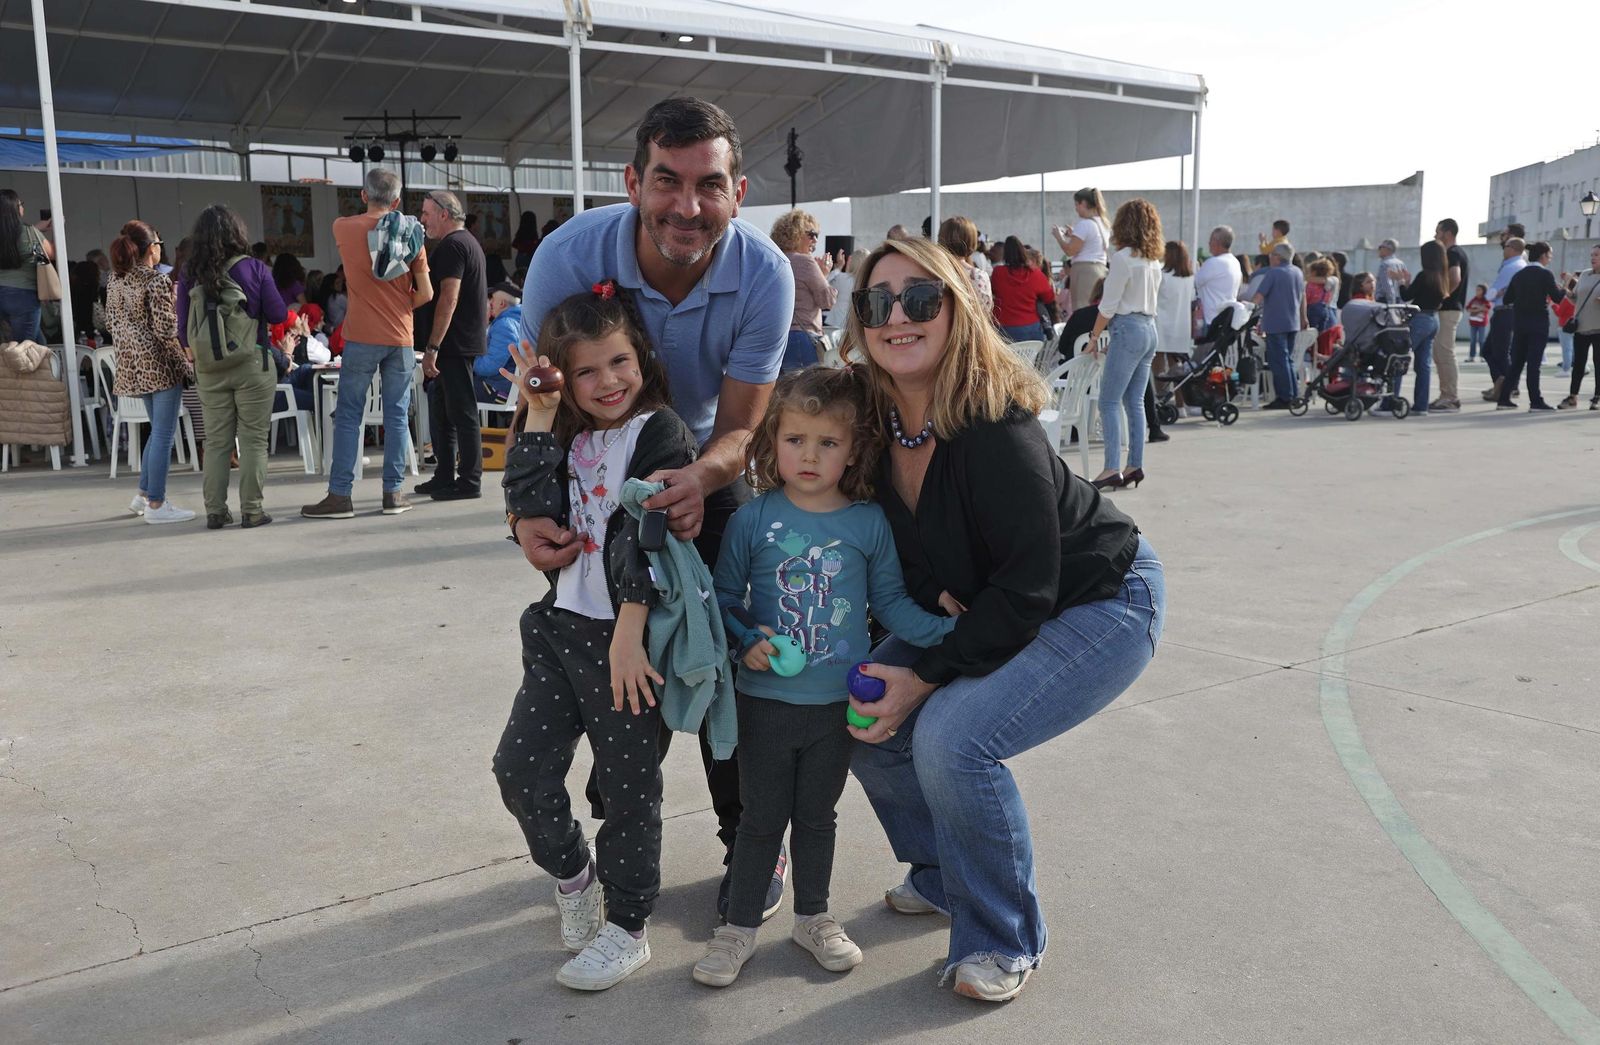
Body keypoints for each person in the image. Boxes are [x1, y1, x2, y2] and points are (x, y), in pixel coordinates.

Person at [841, 234, 1164, 1003]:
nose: (897, 317)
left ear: (956, 309)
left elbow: (1027, 587)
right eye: (878, 302)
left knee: (952, 739)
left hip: (1102, 597)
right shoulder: (872, 421)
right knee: (858, 708)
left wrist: (927, 671)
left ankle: (1002, 934)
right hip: (994, 595)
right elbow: (892, 548)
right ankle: (943, 873)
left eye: (920, 298)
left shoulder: (993, 423)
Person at [516, 96, 793, 920]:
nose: (687, 206)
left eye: (710, 186)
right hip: (597, 466)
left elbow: (742, 426)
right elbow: (543, 404)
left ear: (739, 192)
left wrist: (699, 480)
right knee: (602, 646)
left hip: (704, 459)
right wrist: (523, 516)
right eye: (667, 181)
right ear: (633, 182)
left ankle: (753, 838)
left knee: (728, 655)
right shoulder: (567, 257)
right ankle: (618, 812)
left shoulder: (766, 274)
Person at [694, 366, 958, 988]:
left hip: (836, 706)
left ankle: (813, 916)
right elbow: (722, 598)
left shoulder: (868, 524)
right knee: (760, 820)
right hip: (764, 703)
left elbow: (889, 605)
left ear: (854, 450)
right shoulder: (752, 519)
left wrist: (951, 632)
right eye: (795, 439)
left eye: (828, 442)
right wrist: (748, 640)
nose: (809, 456)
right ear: (772, 442)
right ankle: (737, 928)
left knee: (818, 817)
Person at [494, 281, 698, 992]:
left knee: (627, 788)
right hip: (559, 632)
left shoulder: (660, 431)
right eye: (586, 370)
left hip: (626, 640)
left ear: (641, 356)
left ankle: (629, 926)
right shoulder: (567, 435)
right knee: (519, 770)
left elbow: (648, 532)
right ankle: (577, 878)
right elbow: (528, 500)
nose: (608, 380)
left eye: (619, 361)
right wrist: (541, 412)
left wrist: (631, 632)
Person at [303, 167, 433, 519]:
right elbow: (426, 293)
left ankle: (340, 496)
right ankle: (393, 493)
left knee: (349, 414)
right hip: (401, 337)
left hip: (360, 335)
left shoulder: (343, 228)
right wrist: (400, 306)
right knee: (396, 415)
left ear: (363, 195)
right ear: (397, 201)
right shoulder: (412, 235)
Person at [177, 205, 288, 529]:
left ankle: (215, 511)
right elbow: (278, 314)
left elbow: (183, 328)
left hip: (209, 368)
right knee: (253, 440)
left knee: (216, 441)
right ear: (237, 234)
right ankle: (252, 511)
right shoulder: (254, 268)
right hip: (252, 363)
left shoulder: (189, 273)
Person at [105, 220, 194, 525]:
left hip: (134, 366)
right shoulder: (155, 281)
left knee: (157, 432)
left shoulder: (115, 279)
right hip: (160, 366)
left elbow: (110, 323)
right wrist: (186, 362)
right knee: (163, 435)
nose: (160, 249)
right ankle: (157, 502)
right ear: (150, 248)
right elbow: (167, 330)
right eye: (158, 243)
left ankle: (143, 494)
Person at [416, 189, 488, 502]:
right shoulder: (466, 242)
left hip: (454, 343)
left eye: (426, 213)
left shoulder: (453, 245)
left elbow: (449, 297)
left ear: (444, 214)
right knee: (443, 412)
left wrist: (433, 346)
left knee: (461, 411)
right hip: (457, 341)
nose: (423, 220)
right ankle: (444, 474)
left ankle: (469, 481)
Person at [1085, 199, 1163, 487]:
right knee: (1135, 402)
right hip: (1149, 329)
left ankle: (1111, 468)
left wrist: (1094, 337)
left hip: (1128, 329)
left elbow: (1108, 306)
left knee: (1108, 401)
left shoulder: (1122, 258)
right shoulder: (1153, 261)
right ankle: (1134, 466)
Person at [1497, 241, 1565, 412]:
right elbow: (1557, 298)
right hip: (1538, 323)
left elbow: (1507, 299)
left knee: (1517, 363)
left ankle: (1504, 399)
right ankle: (1535, 401)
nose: (1550, 258)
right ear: (1543, 256)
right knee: (1534, 364)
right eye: (1549, 255)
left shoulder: (1519, 275)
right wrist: (1564, 289)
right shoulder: (1546, 274)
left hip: (1520, 323)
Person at [1388, 240, 1448, 416]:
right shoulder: (1441, 277)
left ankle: (1391, 403)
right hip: (1433, 319)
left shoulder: (1424, 275)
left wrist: (1401, 282)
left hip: (1419, 319)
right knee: (1423, 365)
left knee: (1399, 358)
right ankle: (1421, 405)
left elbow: (1407, 295)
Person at [770, 209, 834, 370]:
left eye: (816, 235)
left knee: (786, 386)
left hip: (777, 338)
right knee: (808, 385)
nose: (815, 240)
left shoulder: (773, 260)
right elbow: (827, 301)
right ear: (795, 234)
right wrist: (824, 274)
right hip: (803, 337)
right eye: (811, 234)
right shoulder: (806, 262)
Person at [1250, 242, 1307, 409]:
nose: (1270, 257)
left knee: (1278, 362)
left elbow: (1259, 296)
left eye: (1272, 254)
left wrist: (1247, 310)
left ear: (1278, 257)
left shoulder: (1273, 273)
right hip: (1292, 322)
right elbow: (1303, 297)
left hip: (1275, 323)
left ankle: (1285, 397)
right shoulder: (1297, 272)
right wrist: (1303, 317)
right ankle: (1293, 395)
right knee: (1287, 360)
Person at [0, 188, 53, 343]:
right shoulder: (29, 233)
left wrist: (37, 229)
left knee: (39, 344)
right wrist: (57, 228)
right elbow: (50, 254)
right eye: (20, 204)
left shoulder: (30, 232)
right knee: (25, 348)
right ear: (14, 208)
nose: (23, 207)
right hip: (24, 295)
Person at [1481, 233, 1527, 401]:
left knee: (1498, 353)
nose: (1503, 249)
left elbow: (1491, 294)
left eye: (1506, 246)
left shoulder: (1511, 267)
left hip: (1505, 312)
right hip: (1509, 312)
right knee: (1492, 351)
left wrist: (1491, 294)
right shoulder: (1519, 265)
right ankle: (1502, 384)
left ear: (1513, 249)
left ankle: (1509, 387)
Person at [1428, 218, 1468, 412]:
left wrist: (1442, 296)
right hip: (1450, 310)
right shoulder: (1455, 252)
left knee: (1445, 354)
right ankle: (1446, 395)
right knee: (1440, 353)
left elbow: (1455, 278)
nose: (1435, 235)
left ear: (1448, 233)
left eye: (1438, 231)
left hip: (1449, 309)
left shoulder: (1452, 253)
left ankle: (1450, 398)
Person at [1051, 187, 1111, 312]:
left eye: (1077, 205)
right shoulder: (1103, 224)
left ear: (1083, 203)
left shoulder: (1085, 224)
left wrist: (1059, 237)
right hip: (1100, 268)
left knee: (1081, 308)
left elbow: (1070, 250)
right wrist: (1074, 235)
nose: (1076, 208)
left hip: (1084, 271)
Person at [989, 236, 1053, 343]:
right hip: (1032, 330)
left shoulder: (998, 273)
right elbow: (1049, 298)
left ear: (1005, 255)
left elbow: (993, 291)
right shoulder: (1036, 274)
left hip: (1005, 329)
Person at [1559, 247, 1600, 409]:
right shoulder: (1584, 275)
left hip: (1599, 328)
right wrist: (1567, 292)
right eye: (1592, 255)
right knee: (1578, 364)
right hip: (1581, 327)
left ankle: (1597, 397)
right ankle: (1572, 397)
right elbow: (1576, 299)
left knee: (1599, 364)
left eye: (1596, 255)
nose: (1593, 258)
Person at [475, 280, 522, 404]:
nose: (490, 302)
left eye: (493, 299)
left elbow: (489, 367)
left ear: (502, 303)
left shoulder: (504, 325)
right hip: (511, 388)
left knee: (445, 388)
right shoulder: (519, 321)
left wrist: (471, 360)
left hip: (501, 390)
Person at [937, 216, 993, 318]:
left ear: (941, 239)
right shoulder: (979, 276)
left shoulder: (932, 272)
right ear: (972, 242)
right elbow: (984, 313)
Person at [1194, 226, 1242, 326]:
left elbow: (1194, 284)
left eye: (1211, 239)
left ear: (1217, 242)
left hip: (1210, 320)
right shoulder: (1235, 262)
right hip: (1225, 320)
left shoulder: (1213, 262)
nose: (1208, 243)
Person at [821, 248, 857, 328]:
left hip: (836, 321)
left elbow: (825, 283)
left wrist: (839, 267)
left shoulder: (843, 277)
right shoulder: (865, 280)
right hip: (853, 323)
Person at [1304, 258, 1340, 332]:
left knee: (1312, 332)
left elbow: (1307, 297)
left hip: (1313, 309)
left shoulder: (1311, 285)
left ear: (1314, 272)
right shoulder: (1330, 283)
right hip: (1326, 309)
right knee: (1323, 333)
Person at [1374, 239, 1406, 304]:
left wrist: (1391, 303)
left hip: (1385, 300)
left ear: (1388, 249)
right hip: (1399, 300)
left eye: (1381, 247)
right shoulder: (1401, 264)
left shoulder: (1384, 264)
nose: (1379, 250)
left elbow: (1387, 286)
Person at [1465, 283, 1491, 362]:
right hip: (1473, 323)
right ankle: (1471, 356)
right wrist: (1479, 308)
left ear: (1483, 291)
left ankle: (1482, 356)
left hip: (1482, 324)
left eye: (1479, 290)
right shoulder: (1474, 299)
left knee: (1481, 340)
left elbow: (1487, 308)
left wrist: (1476, 309)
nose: (1477, 291)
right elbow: (1468, 309)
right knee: (1473, 340)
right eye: (1476, 290)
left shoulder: (1485, 300)